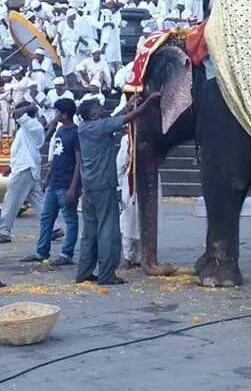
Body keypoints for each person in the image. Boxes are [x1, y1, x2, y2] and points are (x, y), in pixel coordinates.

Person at [76, 92, 160, 285]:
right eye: (98, 107)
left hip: (89, 186)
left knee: (90, 231)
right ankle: (107, 273)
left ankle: (84, 272)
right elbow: (128, 118)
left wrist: (129, 104)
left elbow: (117, 119)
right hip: (103, 184)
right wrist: (149, 101)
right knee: (109, 229)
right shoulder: (100, 127)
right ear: (93, 115)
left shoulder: (84, 127)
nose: (102, 108)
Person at [21, 99, 80, 265]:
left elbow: (79, 162)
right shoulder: (60, 131)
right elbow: (55, 156)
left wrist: (73, 187)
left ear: (65, 114)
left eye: (57, 112)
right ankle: (42, 252)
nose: (54, 115)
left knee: (70, 219)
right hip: (54, 182)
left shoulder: (75, 133)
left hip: (66, 183)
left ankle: (67, 254)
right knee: (46, 218)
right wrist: (47, 177)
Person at [0, 102, 44, 243]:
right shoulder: (26, 128)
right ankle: (53, 228)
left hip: (25, 168)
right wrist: (11, 167)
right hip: (25, 166)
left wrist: (28, 107)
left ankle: (3, 231)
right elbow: (22, 150)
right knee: (38, 201)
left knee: (11, 200)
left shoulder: (32, 125)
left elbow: (16, 114)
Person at [117, 129, 140, 267]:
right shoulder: (127, 139)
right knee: (128, 218)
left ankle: (137, 254)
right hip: (131, 180)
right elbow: (121, 164)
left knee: (135, 218)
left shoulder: (152, 136)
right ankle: (128, 254)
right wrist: (119, 185)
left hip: (145, 181)